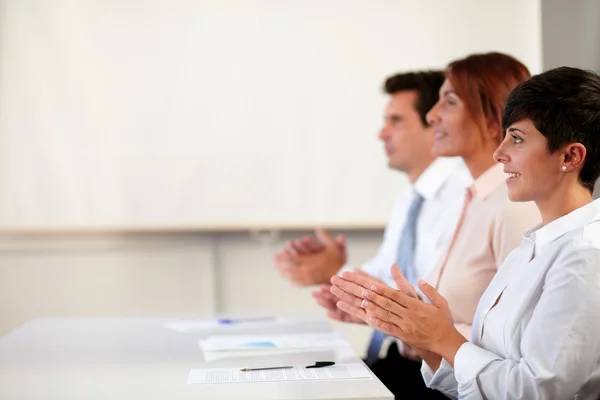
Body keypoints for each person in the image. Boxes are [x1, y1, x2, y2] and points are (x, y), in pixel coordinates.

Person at [331, 66, 600, 399]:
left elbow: (535, 391)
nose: (499, 154)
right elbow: (475, 380)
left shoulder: (585, 257)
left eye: (516, 138)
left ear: (571, 156)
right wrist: (421, 336)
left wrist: (443, 337)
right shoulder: (531, 245)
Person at [274, 71, 472, 398]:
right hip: (397, 359)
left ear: (434, 125)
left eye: (396, 121)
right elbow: (384, 275)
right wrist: (337, 274)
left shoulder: (464, 197)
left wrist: (340, 278)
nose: (382, 133)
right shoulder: (411, 196)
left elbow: (433, 300)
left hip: (432, 375)